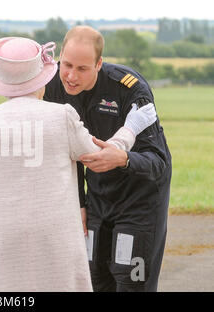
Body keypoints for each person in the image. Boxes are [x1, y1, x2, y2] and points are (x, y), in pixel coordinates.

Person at [0, 36, 157, 291]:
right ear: (41, 78)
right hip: (56, 243)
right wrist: (129, 130)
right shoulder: (62, 116)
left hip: (2, 245)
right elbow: (98, 158)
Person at [44, 25, 172, 292]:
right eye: (66, 65)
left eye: (82, 69)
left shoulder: (128, 88)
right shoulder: (54, 85)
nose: (71, 76)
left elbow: (158, 163)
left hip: (139, 201)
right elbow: (67, 155)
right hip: (97, 201)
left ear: (99, 64)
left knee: (130, 281)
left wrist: (123, 158)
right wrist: (79, 202)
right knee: (93, 280)